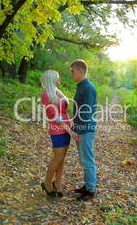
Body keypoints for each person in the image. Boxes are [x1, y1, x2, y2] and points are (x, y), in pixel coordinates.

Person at [40, 70, 78, 198]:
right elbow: (55, 117)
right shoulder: (46, 95)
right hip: (57, 130)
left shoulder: (57, 92)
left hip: (66, 128)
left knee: (62, 158)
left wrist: (71, 124)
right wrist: (70, 131)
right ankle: (47, 183)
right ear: (51, 79)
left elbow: (64, 112)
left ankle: (58, 183)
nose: (59, 79)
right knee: (57, 158)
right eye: (57, 77)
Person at [70, 59, 98, 201]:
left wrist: (78, 131)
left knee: (87, 161)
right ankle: (87, 186)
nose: (71, 74)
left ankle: (91, 190)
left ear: (81, 71)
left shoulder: (88, 88)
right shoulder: (80, 86)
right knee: (84, 160)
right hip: (80, 129)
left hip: (85, 130)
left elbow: (86, 113)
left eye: (73, 71)